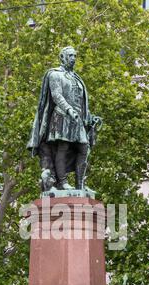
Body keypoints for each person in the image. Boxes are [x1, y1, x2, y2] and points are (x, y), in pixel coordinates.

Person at [27, 46, 101, 190]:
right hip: (61, 115)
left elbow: (81, 102)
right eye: (70, 56)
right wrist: (68, 110)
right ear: (63, 57)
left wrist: (90, 117)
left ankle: (80, 185)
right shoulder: (55, 74)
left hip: (78, 118)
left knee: (84, 148)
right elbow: (56, 95)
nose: (73, 58)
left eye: (75, 56)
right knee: (63, 148)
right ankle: (63, 182)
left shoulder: (77, 78)